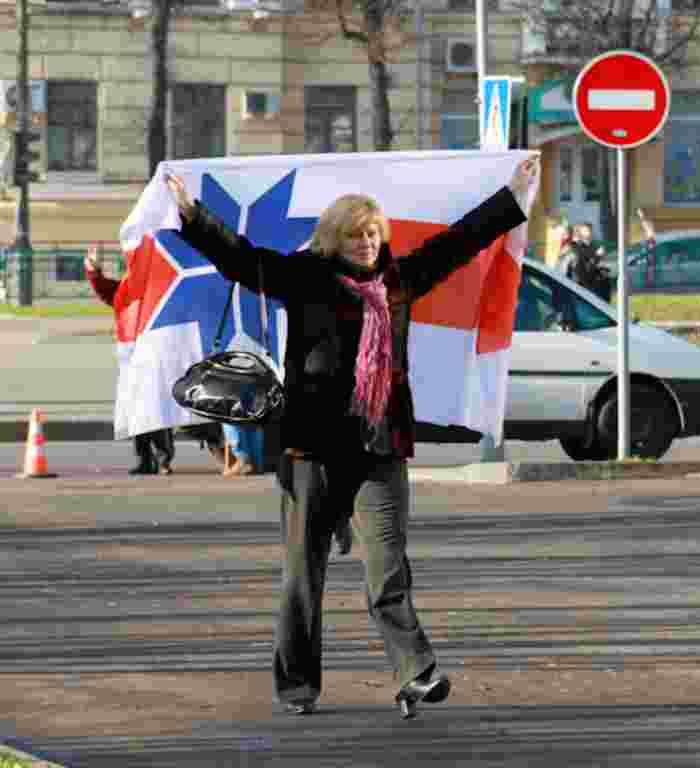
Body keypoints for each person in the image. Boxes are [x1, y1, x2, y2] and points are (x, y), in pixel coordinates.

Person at [165, 155, 539, 718]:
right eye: (355, 235)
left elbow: (463, 241)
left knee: (388, 567)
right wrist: (192, 215)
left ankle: (416, 673)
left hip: (379, 447)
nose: (366, 243)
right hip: (311, 447)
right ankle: (297, 686)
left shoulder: (399, 281)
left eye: (372, 233)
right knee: (302, 575)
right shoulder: (305, 276)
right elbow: (241, 260)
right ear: (333, 239)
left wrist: (512, 196)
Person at [84, 247, 176, 476]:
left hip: (155, 356)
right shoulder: (127, 290)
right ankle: (145, 459)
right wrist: (94, 272)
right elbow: (106, 291)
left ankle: (163, 458)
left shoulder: (159, 288)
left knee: (156, 409)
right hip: (131, 358)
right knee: (136, 411)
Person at [565, 222, 612, 301]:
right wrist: (597, 256)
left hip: (595, 292)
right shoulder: (575, 250)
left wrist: (602, 267)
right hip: (585, 293)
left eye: (590, 230)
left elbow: (592, 265)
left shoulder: (589, 247)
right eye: (586, 230)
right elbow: (585, 272)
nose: (590, 233)